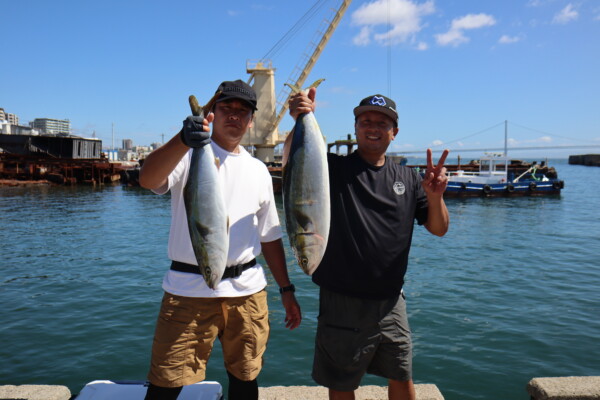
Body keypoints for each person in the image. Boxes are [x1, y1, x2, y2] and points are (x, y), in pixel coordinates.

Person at [139, 79, 302, 400]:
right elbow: (147, 179)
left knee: (245, 378)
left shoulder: (258, 170)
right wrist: (183, 140)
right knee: (166, 382)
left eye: (243, 111)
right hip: (186, 290)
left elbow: (270, 236)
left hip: (248, 292)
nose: (234, 116)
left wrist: (286, 289)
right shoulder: (187, 155)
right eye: (226, 108)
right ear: (212, 112)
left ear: (252, 120)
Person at [287, 88, 449, 400]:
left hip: (391, 302)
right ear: (356, 127)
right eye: (365, 121)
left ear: (394, 132)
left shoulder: (409, 177)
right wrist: (300, 117)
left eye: (382, 122)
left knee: (401, 376)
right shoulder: (333, 169)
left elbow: (438, 229)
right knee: (342, 382)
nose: (373, 127)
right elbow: (296, 160)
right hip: (341, 301)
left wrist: (435, 196)